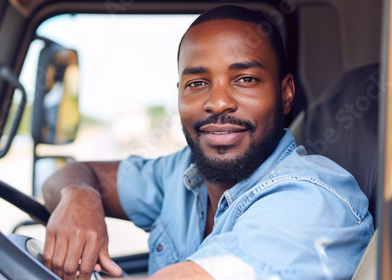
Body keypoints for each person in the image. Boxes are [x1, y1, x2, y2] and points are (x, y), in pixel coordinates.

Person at [42, 5, 373, 280]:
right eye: (198, 83)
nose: (217, 103)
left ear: (285, 95)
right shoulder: (183, 172)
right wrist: (80, 196)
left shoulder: (312, 201)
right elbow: (70, 176)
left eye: (245, 79)